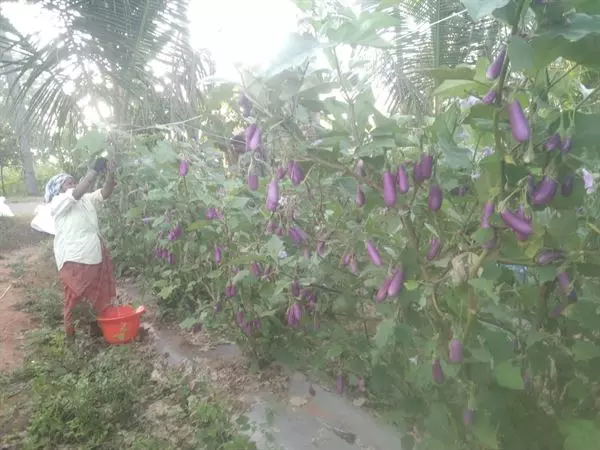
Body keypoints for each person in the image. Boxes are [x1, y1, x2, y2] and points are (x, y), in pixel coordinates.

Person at [45, 157, 118, 336]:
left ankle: (96, 332)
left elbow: (105, 192)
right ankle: (73, 337)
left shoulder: (86, 199)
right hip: (73, 258)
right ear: (58, 188)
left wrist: (110, 172)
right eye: (67, 182)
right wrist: (93, 170)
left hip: (93, 254)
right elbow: (76, 193)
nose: (72, 182)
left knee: (96, 296)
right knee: (76, 298)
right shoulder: (58, 202)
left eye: (73, 180)